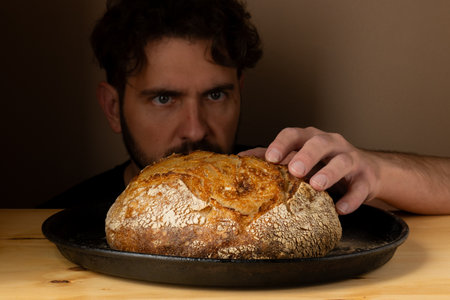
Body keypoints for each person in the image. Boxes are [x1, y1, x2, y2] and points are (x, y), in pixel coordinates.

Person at [41, 0, 450, 216]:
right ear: (113, 108)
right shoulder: (65, 220)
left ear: (239, 91)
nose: (195, 129)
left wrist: (376, 171)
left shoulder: (292, 198)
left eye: (215, 95)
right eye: (164, 99)